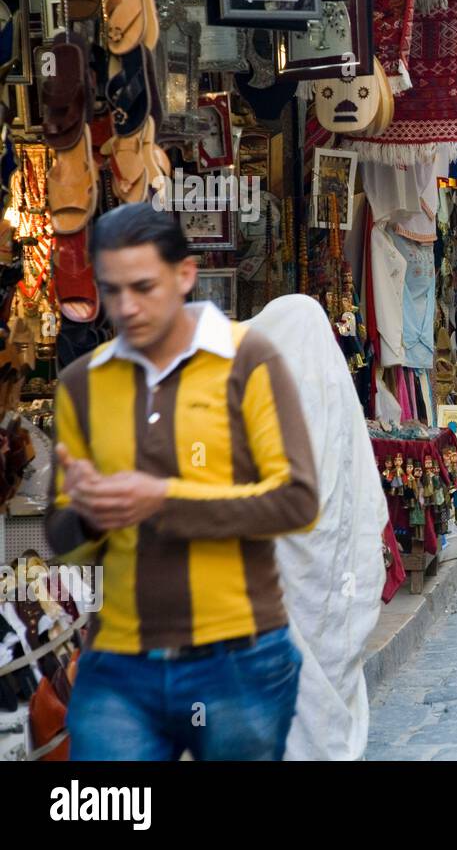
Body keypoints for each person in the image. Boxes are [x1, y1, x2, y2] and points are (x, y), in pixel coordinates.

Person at [48, 203, 319, 760]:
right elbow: (60, 539)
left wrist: (162, 500)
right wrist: (93, 513)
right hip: (119, 665)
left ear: (185, 275)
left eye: (143, 287)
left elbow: (297, 499)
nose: (126, 307)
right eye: (112, 289)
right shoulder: (81, 385)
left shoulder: (247, 362)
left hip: (239, 659)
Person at [247, 295, 387, 761]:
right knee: (332, 672)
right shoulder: (336, 399)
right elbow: (366, 496)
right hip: (338, 571)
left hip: (282, 576)